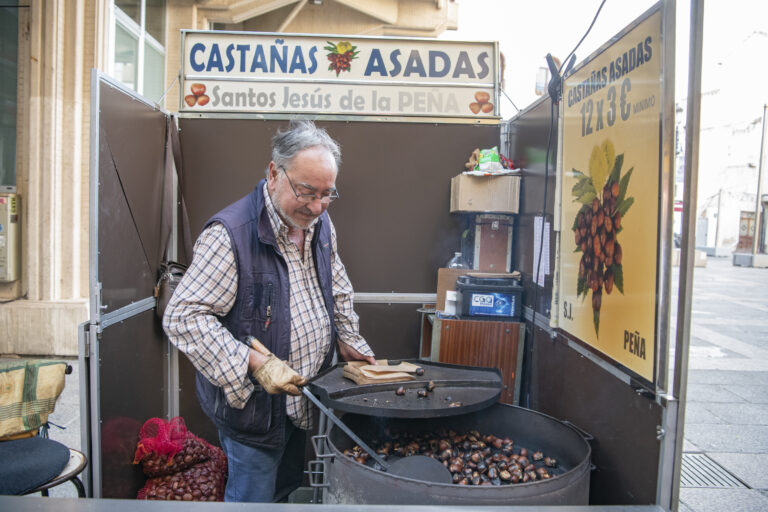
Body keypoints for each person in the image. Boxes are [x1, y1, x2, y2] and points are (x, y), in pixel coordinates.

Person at [163, 119, 376, 503]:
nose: (317, 206)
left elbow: (337, 284)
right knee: (252, 500)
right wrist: (253, 362)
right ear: (274, 173)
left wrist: (348, 338)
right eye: (307, 192)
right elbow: (183, 318)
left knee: (283, 492)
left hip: (301, 401)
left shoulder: (319, 222)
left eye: (328, 194)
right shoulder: (230, 235)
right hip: (255, 410)